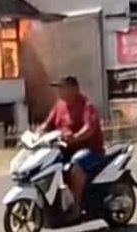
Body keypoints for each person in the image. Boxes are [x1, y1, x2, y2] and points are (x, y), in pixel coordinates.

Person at [38, 76, 105, 219]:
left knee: (76, 165)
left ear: (74, 89)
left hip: (90, 150)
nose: (59, 92)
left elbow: (89, 128)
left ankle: (76, 206)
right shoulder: (59, 106)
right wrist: (37, 135)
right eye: (58, 89)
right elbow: (47, 124)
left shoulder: (87, 106)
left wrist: (75, 137)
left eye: (62, 88)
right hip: (65, 148)